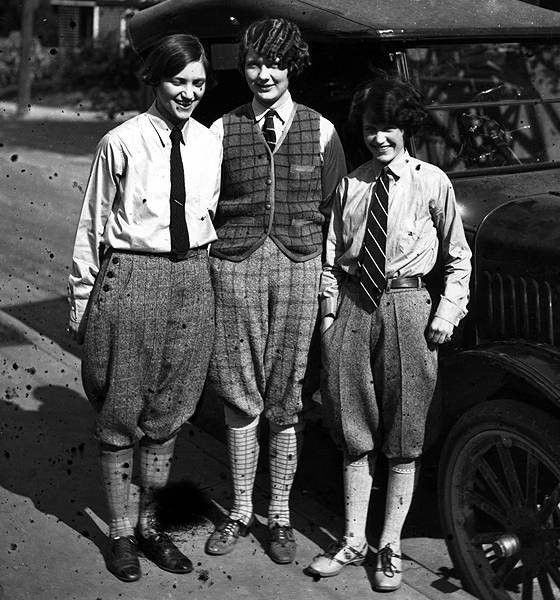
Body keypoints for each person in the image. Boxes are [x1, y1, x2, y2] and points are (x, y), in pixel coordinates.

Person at [67, 34, 222, 582]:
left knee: (169, 414)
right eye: (177, 81)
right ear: (155, 80)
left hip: (192, 279)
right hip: (133, 277)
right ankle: (119, 534)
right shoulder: (121, 142)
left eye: (198, 83)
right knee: (120, 413)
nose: (187, 93)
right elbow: (92, 225)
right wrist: (83, 299)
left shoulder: (210, 142)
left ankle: (150, 527)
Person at [307, 77, 472, 592]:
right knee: (354, 430)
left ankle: (389, 547)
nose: (380, 137)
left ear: (408, 128)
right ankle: (353, 538)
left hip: (408, 307)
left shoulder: (432, 182)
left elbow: (458, 257)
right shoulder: (352, 184)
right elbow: (330, 258)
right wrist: (331, 321)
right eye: (372, 128)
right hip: (355, 308)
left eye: (390, 127)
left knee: (404, 435)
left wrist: (446, 313)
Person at [204, 17, 346, 565]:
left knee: (286, 394)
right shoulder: (222, 128)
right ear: (243, 68)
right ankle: (241, 509)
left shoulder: (323, 129)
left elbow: (335, 212)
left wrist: (327, 281)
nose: (265, 74)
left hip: (300, 267)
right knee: (240, 391)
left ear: (293, 68)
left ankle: (280, 515)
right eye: (255, 64)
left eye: (276, 64)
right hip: (234, 266)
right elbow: (204, 204)